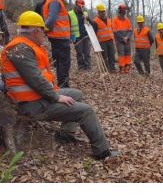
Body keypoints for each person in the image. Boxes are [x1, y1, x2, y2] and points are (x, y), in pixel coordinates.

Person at [1, 11, 119, 160]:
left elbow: (36, 77)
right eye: (43, 31)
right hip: (32, 104)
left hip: (37, 97)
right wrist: (56, 97)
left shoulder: (25, 46)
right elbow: (35, 79)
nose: (44, 34)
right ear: (36, 31)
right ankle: (102, 152)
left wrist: (55, 94)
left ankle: (66, 134)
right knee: (86, 111)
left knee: (76, 94)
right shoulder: (19, 48)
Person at [43, 0, 72, 88]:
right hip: (59, 38)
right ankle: (64, 87)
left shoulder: (54, 0)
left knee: (61, 63)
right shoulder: (55, 1)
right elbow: (51, 20)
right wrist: (45, 31)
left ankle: (63, 86)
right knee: (64, 64)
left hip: (58, 38)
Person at [69, 0, 92, 70]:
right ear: (76, 5)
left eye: (82, 6)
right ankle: (81, 66)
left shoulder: (85, 13)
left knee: (87, 52)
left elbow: (91, 23)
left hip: (85, 36)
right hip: (76, 36)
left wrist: (87, 18)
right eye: (80, 6)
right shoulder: (70, 14)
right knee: (79, 52)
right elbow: (68, 26)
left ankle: (88, 66)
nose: (81, 8)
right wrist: (70, 38)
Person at [93, 3, 116, 73]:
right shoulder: (95, 21)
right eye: (101, 11)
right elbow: (94, 33)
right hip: (102, 41)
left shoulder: (109, 20)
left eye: (104, 11)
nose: (103, 13)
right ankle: (107, 69)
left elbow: (112, 29)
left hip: (110, 40)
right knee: (104, 56)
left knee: (112, 55)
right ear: (98, 12)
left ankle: (112, 68)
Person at [112, 4, 132, 73]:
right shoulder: (115, 20)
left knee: (128, 53)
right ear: (119, 11)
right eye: (123, 12)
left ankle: (127, 67)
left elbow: (130, 30)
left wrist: (127, 37)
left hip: (127, 40)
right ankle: (121, 68)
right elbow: (115, 31)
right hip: (119, 40)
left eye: (124, 12)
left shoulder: (127, 20)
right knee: (121, 54)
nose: (124, 13)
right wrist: (122, 38)